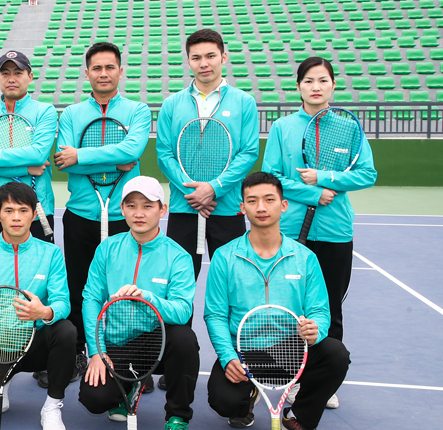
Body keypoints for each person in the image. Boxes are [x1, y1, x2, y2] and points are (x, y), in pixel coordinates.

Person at [262, 56, 376, 408]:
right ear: (298, 86)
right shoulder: (282, 127)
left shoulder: (348, 128)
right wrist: (313, 192)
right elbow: (272, 176)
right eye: (309, 80)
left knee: (329, 308)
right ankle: (289, 374)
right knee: (288, 306)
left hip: (335, 232)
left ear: (333, 85)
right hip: (292, 231)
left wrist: (325, 178)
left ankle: (323, 380)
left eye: (323, 80)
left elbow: (367, 174)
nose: (316, 86)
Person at [204, 172, 350, 430]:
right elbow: (215, 315)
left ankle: (299, 416)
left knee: (335, 354)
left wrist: (316, 329)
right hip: (245, 352)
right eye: (252, 201)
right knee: (224, 400)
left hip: (292, 349)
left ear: (283, 205)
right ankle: (248, 397)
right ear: (243, 208)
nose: (261, 207)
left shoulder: (305, 258)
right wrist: (228, 358)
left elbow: (320, 310)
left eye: (269, 199)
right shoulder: (224, 257)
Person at [52, 42, 151, 387]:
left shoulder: (138, 110)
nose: (103, 73)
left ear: (120, 71)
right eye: (97, 68)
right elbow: (65, 160)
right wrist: (114, 159)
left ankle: (134, 356)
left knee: (127, 289)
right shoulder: (71, 114)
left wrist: (82, 155)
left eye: (110, 67)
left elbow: (133, 150)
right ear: (87, 73)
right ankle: (81, 351)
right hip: (81, 215)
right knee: (80, 287)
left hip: (126, 215)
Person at [78, 176, 199, 430]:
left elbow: (183, 310)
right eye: (131, 205)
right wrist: (97, 351)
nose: (139, 213)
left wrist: (149, 298)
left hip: (158, 342)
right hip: (117, 343)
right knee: (94, 398)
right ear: (122, 209)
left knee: (184, 338)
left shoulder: (178, 256)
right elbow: (91, 299)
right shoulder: (107, 249)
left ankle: (177, 416)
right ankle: (130, 385)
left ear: (162, 210)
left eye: (147, 205)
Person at [0, 182, 77, 430]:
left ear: (34, 215)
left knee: (66, 330)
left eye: (23, 210)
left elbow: (63, 302)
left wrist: (45, 312)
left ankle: (52, 405)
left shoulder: (51, 254)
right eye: (9, 210)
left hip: (37, 342)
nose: (16, 217)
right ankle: (4, 378)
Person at [156, 29, 260, 278]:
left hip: (227, 208)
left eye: (210, 56)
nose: (203, 63)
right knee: (178, 284)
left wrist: (214, 188)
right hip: (184, 207)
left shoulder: (244, 102)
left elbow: (248, 153)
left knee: (232, 283)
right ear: (189, 61)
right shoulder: (171, 104)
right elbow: (164, 154)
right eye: (196, 57)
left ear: (223, 57)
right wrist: (192, 192)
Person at [0, 50, 57, 245]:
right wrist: (26, 169)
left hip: (36, 208)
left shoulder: (45, 111)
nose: (11, 78)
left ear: (30, 77)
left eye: (18, 72)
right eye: (5, 73)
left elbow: (38, 154)